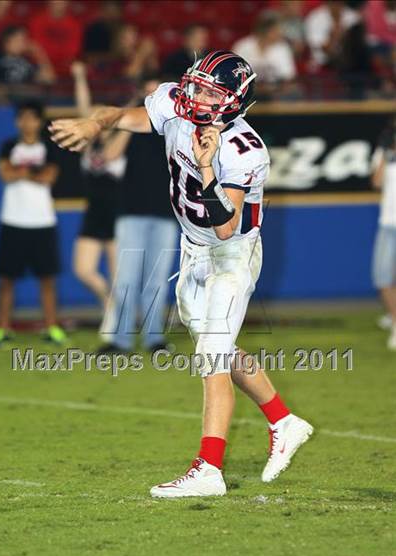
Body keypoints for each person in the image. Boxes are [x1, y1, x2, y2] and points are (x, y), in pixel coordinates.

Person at [49, 49, 313, 498]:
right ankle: (284, 421)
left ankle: (208, 469)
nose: (196, 96)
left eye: (210, 92)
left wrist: (206, 165)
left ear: (232, 100)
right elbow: (125, 116)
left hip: (231, 253)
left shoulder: (244, 149)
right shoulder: (174, 103)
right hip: (193, 250)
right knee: (219, 348)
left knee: (211, 356)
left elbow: (225, 226)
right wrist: (96, 123)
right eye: (196, 85)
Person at [97, 77, 178, 354]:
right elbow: (109, 154)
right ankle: (120, 340)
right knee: (126, 280)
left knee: (157, 280)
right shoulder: (132, 129)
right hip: (130, 212)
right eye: (148, 93)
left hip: (166, 213)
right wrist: (132, 116)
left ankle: (154, 339)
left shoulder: (173, 127)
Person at [0, 100, 66, 348]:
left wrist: (21, 171)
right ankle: (3, 329)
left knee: (47, 279)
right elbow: (5, 174)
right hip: (12, 220)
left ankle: (52, 328)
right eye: (22, 117)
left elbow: (49, 177)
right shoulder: (8, 146)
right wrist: (33, 173)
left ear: (39, 122)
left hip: (43, 221)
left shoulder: (49, 147)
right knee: (6, 279)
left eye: (31, 117)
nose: (26, 122)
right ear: (17, 121)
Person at [71, 61, 128, 314]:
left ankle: (118, 322)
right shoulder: (87, 145)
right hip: (93, 213)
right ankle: (109, 305)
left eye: (99, 117)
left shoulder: (121, 139)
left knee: (118, 277)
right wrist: (79, 77)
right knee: (83, 270)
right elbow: (83, 110)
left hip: (117, 213)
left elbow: (110, 155)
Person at [371, 116, 396, 351]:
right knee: (382, 277)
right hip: (388, 223)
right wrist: (386, 154)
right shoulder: (385, 153)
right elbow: (377, 182)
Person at [232, 11, 297, 99]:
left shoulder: (282, 48)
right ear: (266, 30)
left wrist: (273, 89)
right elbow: (234, 76)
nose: (281, 33)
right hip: (247, 91)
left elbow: (288, 78)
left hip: (275, 92)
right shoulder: (243, 46)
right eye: (277, 29)